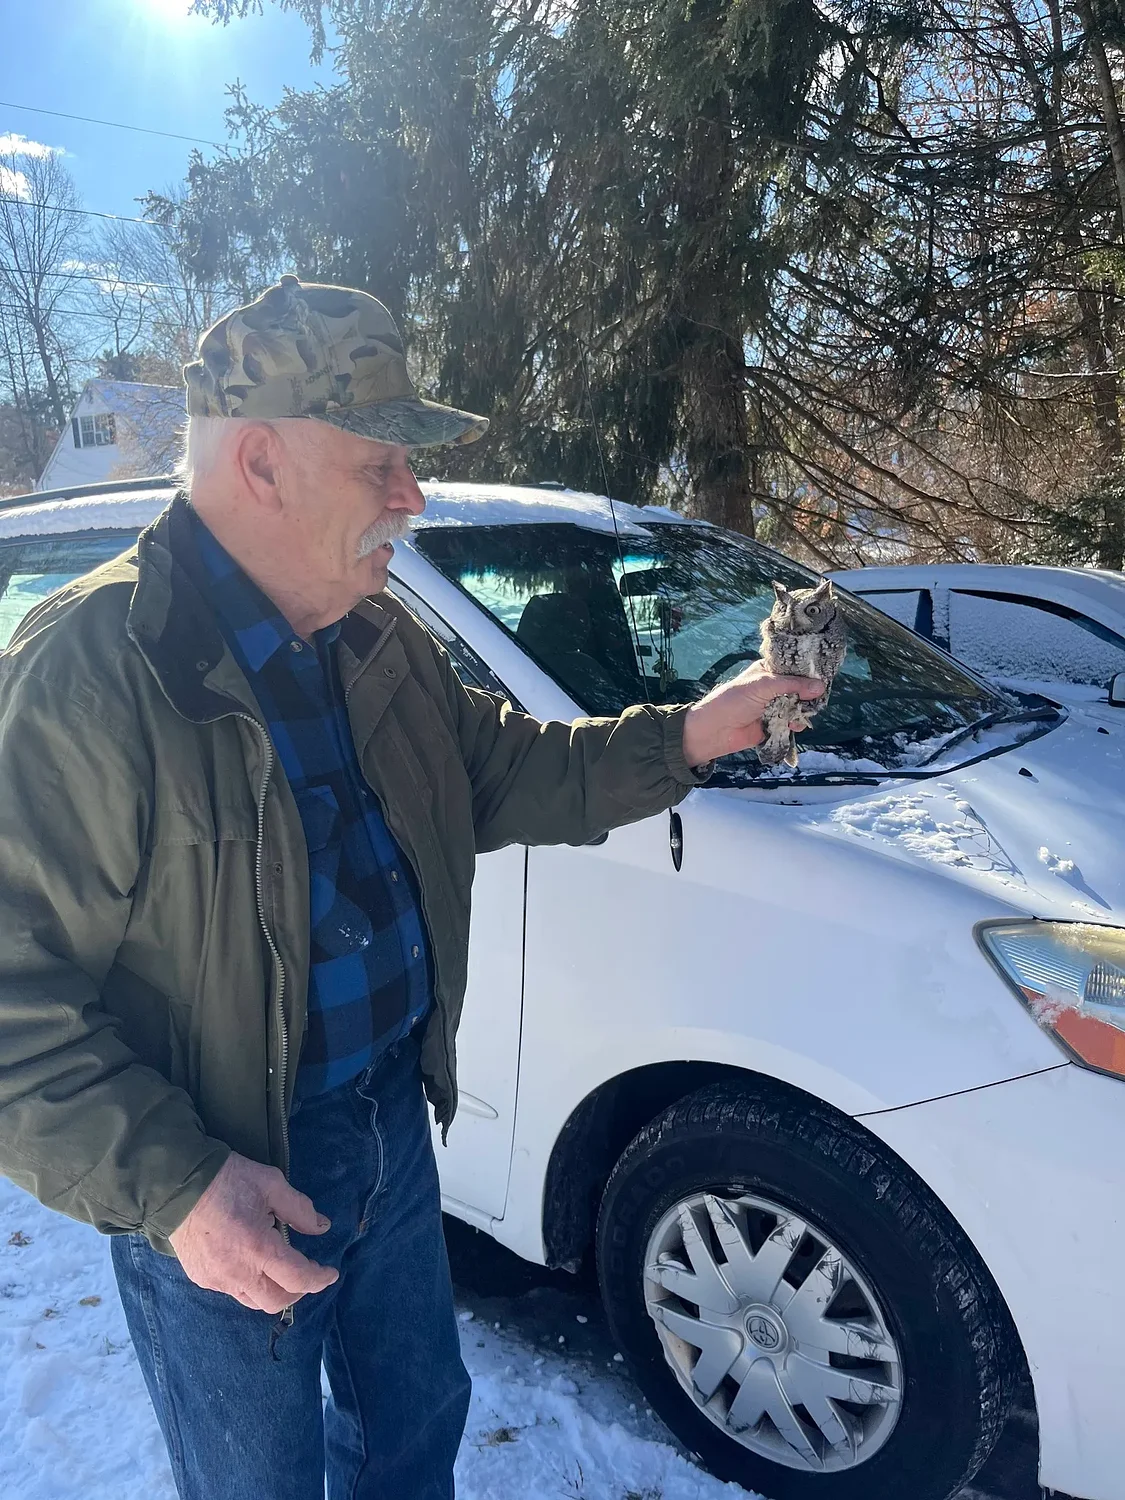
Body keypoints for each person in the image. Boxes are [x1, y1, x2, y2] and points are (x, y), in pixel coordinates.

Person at [0, 275, 823, 1500]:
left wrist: (693, 736)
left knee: (416, 1425)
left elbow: (508, 770)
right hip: (227, 1172)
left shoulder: (378, 636)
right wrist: (179, 1192)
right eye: (379, 461)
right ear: (263, 462)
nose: (412, 495)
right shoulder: (93, 672)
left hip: (388, 1118)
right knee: (257, 1480)